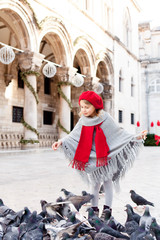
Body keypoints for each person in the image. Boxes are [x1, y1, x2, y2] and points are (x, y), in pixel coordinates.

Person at [52, 91, 147, 218]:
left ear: (95, 106)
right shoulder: (82, 121)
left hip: (106, 156)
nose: (84, 110)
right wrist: (61, 141)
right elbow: (73, 136)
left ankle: (107, 210)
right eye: (82, 107)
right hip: (91, 157)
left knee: (107, 182)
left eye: (87, 107)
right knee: (94, 184)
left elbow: (119, 133)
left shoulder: (105, 118)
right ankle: (94, 209)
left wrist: (136, 137)